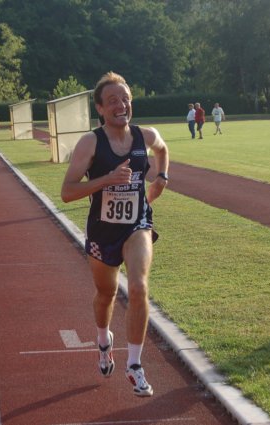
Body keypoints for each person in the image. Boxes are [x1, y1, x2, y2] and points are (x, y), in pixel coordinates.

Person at [61, 71, 169, 397]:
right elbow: (67, 191)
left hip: (137, 225)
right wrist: (107, 179)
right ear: (100, 108)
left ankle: (134, 365)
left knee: (138, 287)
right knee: (106, 294)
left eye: (125, 99)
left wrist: (161, 178)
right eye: (112, 101)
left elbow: (162, 149)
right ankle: (104, 340)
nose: (121, 105)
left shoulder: (145, 136)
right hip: (103, 231)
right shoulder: (90, 143)